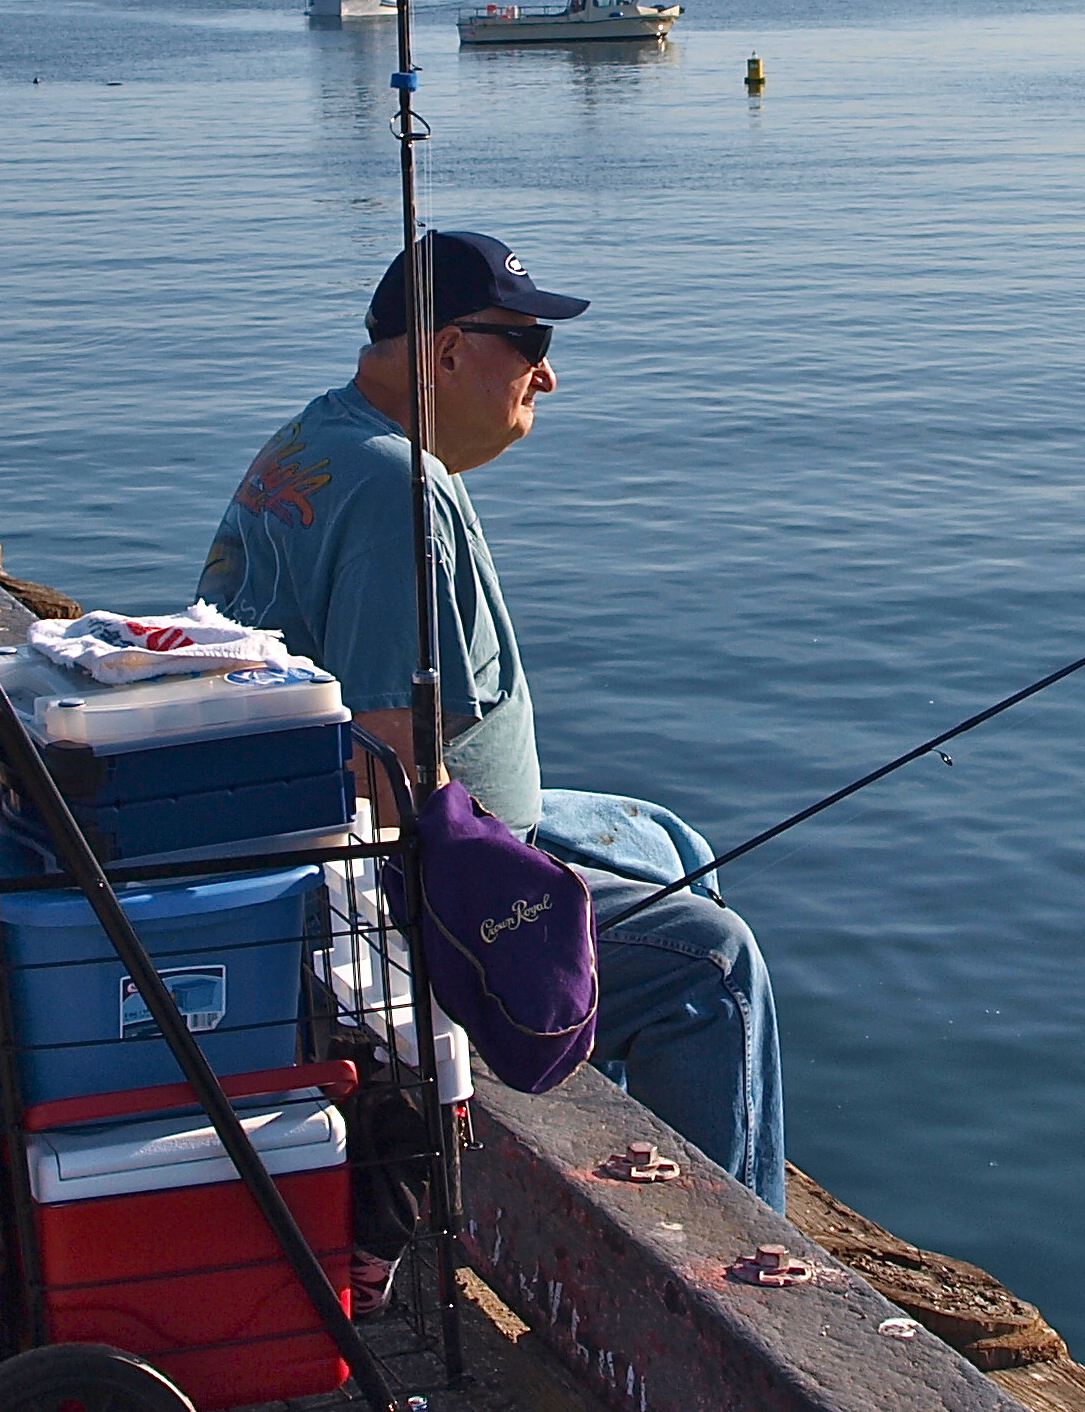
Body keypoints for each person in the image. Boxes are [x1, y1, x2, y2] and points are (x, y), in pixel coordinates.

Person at [196, 231, 785, 1210]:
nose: (547, 376)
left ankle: (624, 1151)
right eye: (532, 341)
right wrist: (515, 899)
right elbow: (385, 777)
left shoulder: (319, 437)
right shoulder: (400, 497)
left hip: (370, 838)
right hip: (394, 892)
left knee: (667, 840)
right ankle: (726, 1271)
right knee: (714, 966)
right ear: (447, 351)